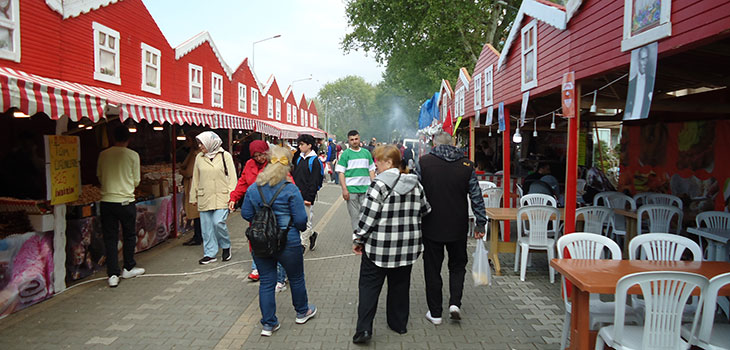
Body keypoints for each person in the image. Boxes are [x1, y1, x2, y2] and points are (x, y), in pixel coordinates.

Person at [351, 145, 431, 344]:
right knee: (400, 286)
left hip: (379, 248)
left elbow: (367, 219)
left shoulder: (378, 185)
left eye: (378, 161)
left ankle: (364, 330)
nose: (375, 165)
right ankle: (399, 325)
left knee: (369, 287)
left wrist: (358, 240)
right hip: (407, 248)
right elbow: (425, 209)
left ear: (389, 162)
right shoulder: (416, 184)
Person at [241, 146, 317, 337]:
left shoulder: (254, 187)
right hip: (288, 241)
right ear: (287, 167)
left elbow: (246, 214)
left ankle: (268, 324)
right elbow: (301, 221)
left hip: (261, 242)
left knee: (266, 282)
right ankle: (302, 312)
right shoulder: (290, 189)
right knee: (296, 277)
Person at [414, 132, 487, 324]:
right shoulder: (467, 165)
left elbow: (415, 193)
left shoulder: (424, 162)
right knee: (457, 266)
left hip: (431, 225)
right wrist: (480, 222)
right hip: (458, 225)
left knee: (432, 269)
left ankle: (435, 313)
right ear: (453, 143)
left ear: (434, 143)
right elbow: (476, 196)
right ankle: (455, 303)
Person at [97, 126, 144, 288]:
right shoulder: (133, 155)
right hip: (126, 201)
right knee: (129, 235)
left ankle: (113, 274)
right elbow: (137, 180)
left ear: (113, 137)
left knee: (110, 237)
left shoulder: (103, 154)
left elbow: (100, 176)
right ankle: (128, 267)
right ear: (128, 139)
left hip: (107, 201)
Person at [190, 131, 237, 265]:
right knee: (206, 227)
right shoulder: (199, 157)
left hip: (222, 196)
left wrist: (232, 196)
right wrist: (193, 196)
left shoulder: (225, 156)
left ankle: (226, 245)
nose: (200, 146)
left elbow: (232, 178)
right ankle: (210, 253)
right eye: (199, 143)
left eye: (202, 143)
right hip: (205, 196)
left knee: (218, 223)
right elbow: (196, 177)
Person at [228, 140, 269, 281]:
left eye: (262, 155)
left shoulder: (274, 164)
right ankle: (256, 267)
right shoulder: (249, 165)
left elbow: (287, 181)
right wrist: (234, 197)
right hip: (255, 208)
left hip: (271, 207)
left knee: (272, 236)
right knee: (255, 237)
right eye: (256, 156)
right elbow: (242, 182)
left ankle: (274, 267)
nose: (259, 158)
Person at [336, 130, 375, 233]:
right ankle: (357, 238)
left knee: (365, 215)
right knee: (355, 216)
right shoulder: (345, 154)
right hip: (351, 190)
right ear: (348, 141)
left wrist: (374, 186)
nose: (354, 141)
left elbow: (371, 170)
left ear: (359, 138)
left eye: (356, 139)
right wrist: (344, 189)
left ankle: (365, 236)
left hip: (366, 189)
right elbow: (341, 173)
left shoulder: (366, 153)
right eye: (352, 140)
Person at [291, 134, 324, 251]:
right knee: (297, 219)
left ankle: (302, 244)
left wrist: (309, 198)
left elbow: (314, 182)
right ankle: (311, 235)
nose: (300, 147)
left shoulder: (314, 161)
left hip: (306, 196)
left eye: (302, 144)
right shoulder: (299, 158)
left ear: (309, 145)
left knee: (307, 220)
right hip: (295, 194)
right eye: (299, 144)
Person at [181, 131, 202, 246]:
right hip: (197, 185)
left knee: (196, 212)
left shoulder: (195, 154)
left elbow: (189, 172)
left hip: (193, 185)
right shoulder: (195, 153)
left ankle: (197, 236)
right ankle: (198, 236)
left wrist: (181, 171)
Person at [624, 45, 654, 120]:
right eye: (643, 59)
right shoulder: (632, 83)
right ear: (638, 60)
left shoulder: (651, 81)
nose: (645, 62)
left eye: (647, 59)